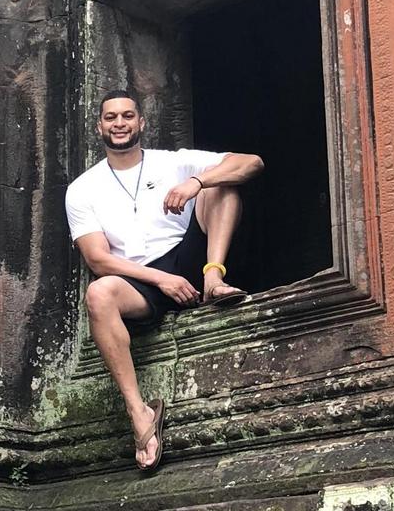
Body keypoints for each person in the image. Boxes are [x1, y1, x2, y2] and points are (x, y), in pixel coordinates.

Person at [65, 90, 263, 470]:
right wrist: (161, 279)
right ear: (99, 127)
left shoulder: (173, 162)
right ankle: (139, 412)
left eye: (127, 116)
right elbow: (97, 259)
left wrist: (196, 183)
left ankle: (214, 279)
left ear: (141, 122)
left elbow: (251, 163)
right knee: (98, 293)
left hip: (190, 257)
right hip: (139, 278)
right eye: (110, 117)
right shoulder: (82, 188)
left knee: (222, 183)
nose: (119, 123)